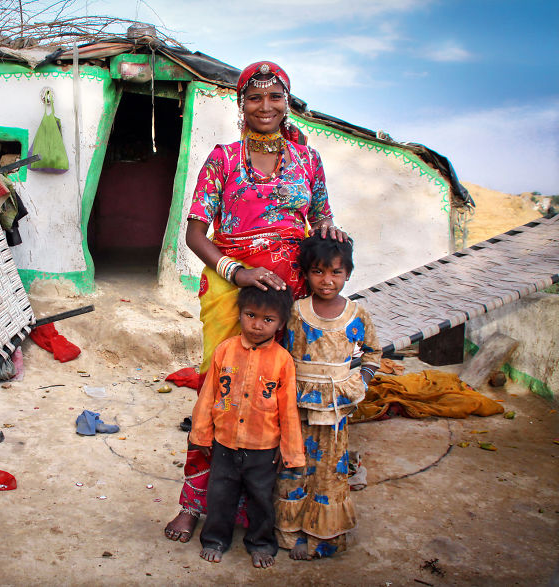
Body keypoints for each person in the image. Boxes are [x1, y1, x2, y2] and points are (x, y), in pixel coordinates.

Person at [164, 60, 347, 543]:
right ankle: (194, 502)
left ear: (287, 102)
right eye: (254, 97)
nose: (265, 106)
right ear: (240, 104)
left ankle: (273, 507)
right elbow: (195, 233)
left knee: (281, 397)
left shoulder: (309, 161)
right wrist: (238, 271)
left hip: (290, 298)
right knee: (217, 393)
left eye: (275, 97)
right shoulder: (222, 159)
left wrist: (328, 230)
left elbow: (322, 215)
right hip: (233, 292)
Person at [274, 233, 381, 559]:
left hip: (335, 413)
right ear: (306, 273)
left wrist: (358, 381)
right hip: (297, 407)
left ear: (348, 273)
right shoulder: (296, 311)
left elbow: (373, 354)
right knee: (293, 467)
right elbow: (280, 355)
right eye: (319, 271)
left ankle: (324, 537)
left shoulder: (356, 314)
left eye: (336, 272)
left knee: (329, 472)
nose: (327, 280)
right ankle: (291, 534)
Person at [189, 286, 304, 568]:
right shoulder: (225, 351)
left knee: (262, 499)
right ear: (239, 314)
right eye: (251, 315)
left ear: (281, 324)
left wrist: (290, 453)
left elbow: (289, 411)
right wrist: (201, 434)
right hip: (225, 443)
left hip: (263, 447)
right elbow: (208, 397)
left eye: (268, 319)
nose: (257, 325)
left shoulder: (282, 361)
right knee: (220, 496)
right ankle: (215, 539)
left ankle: (261, 543)